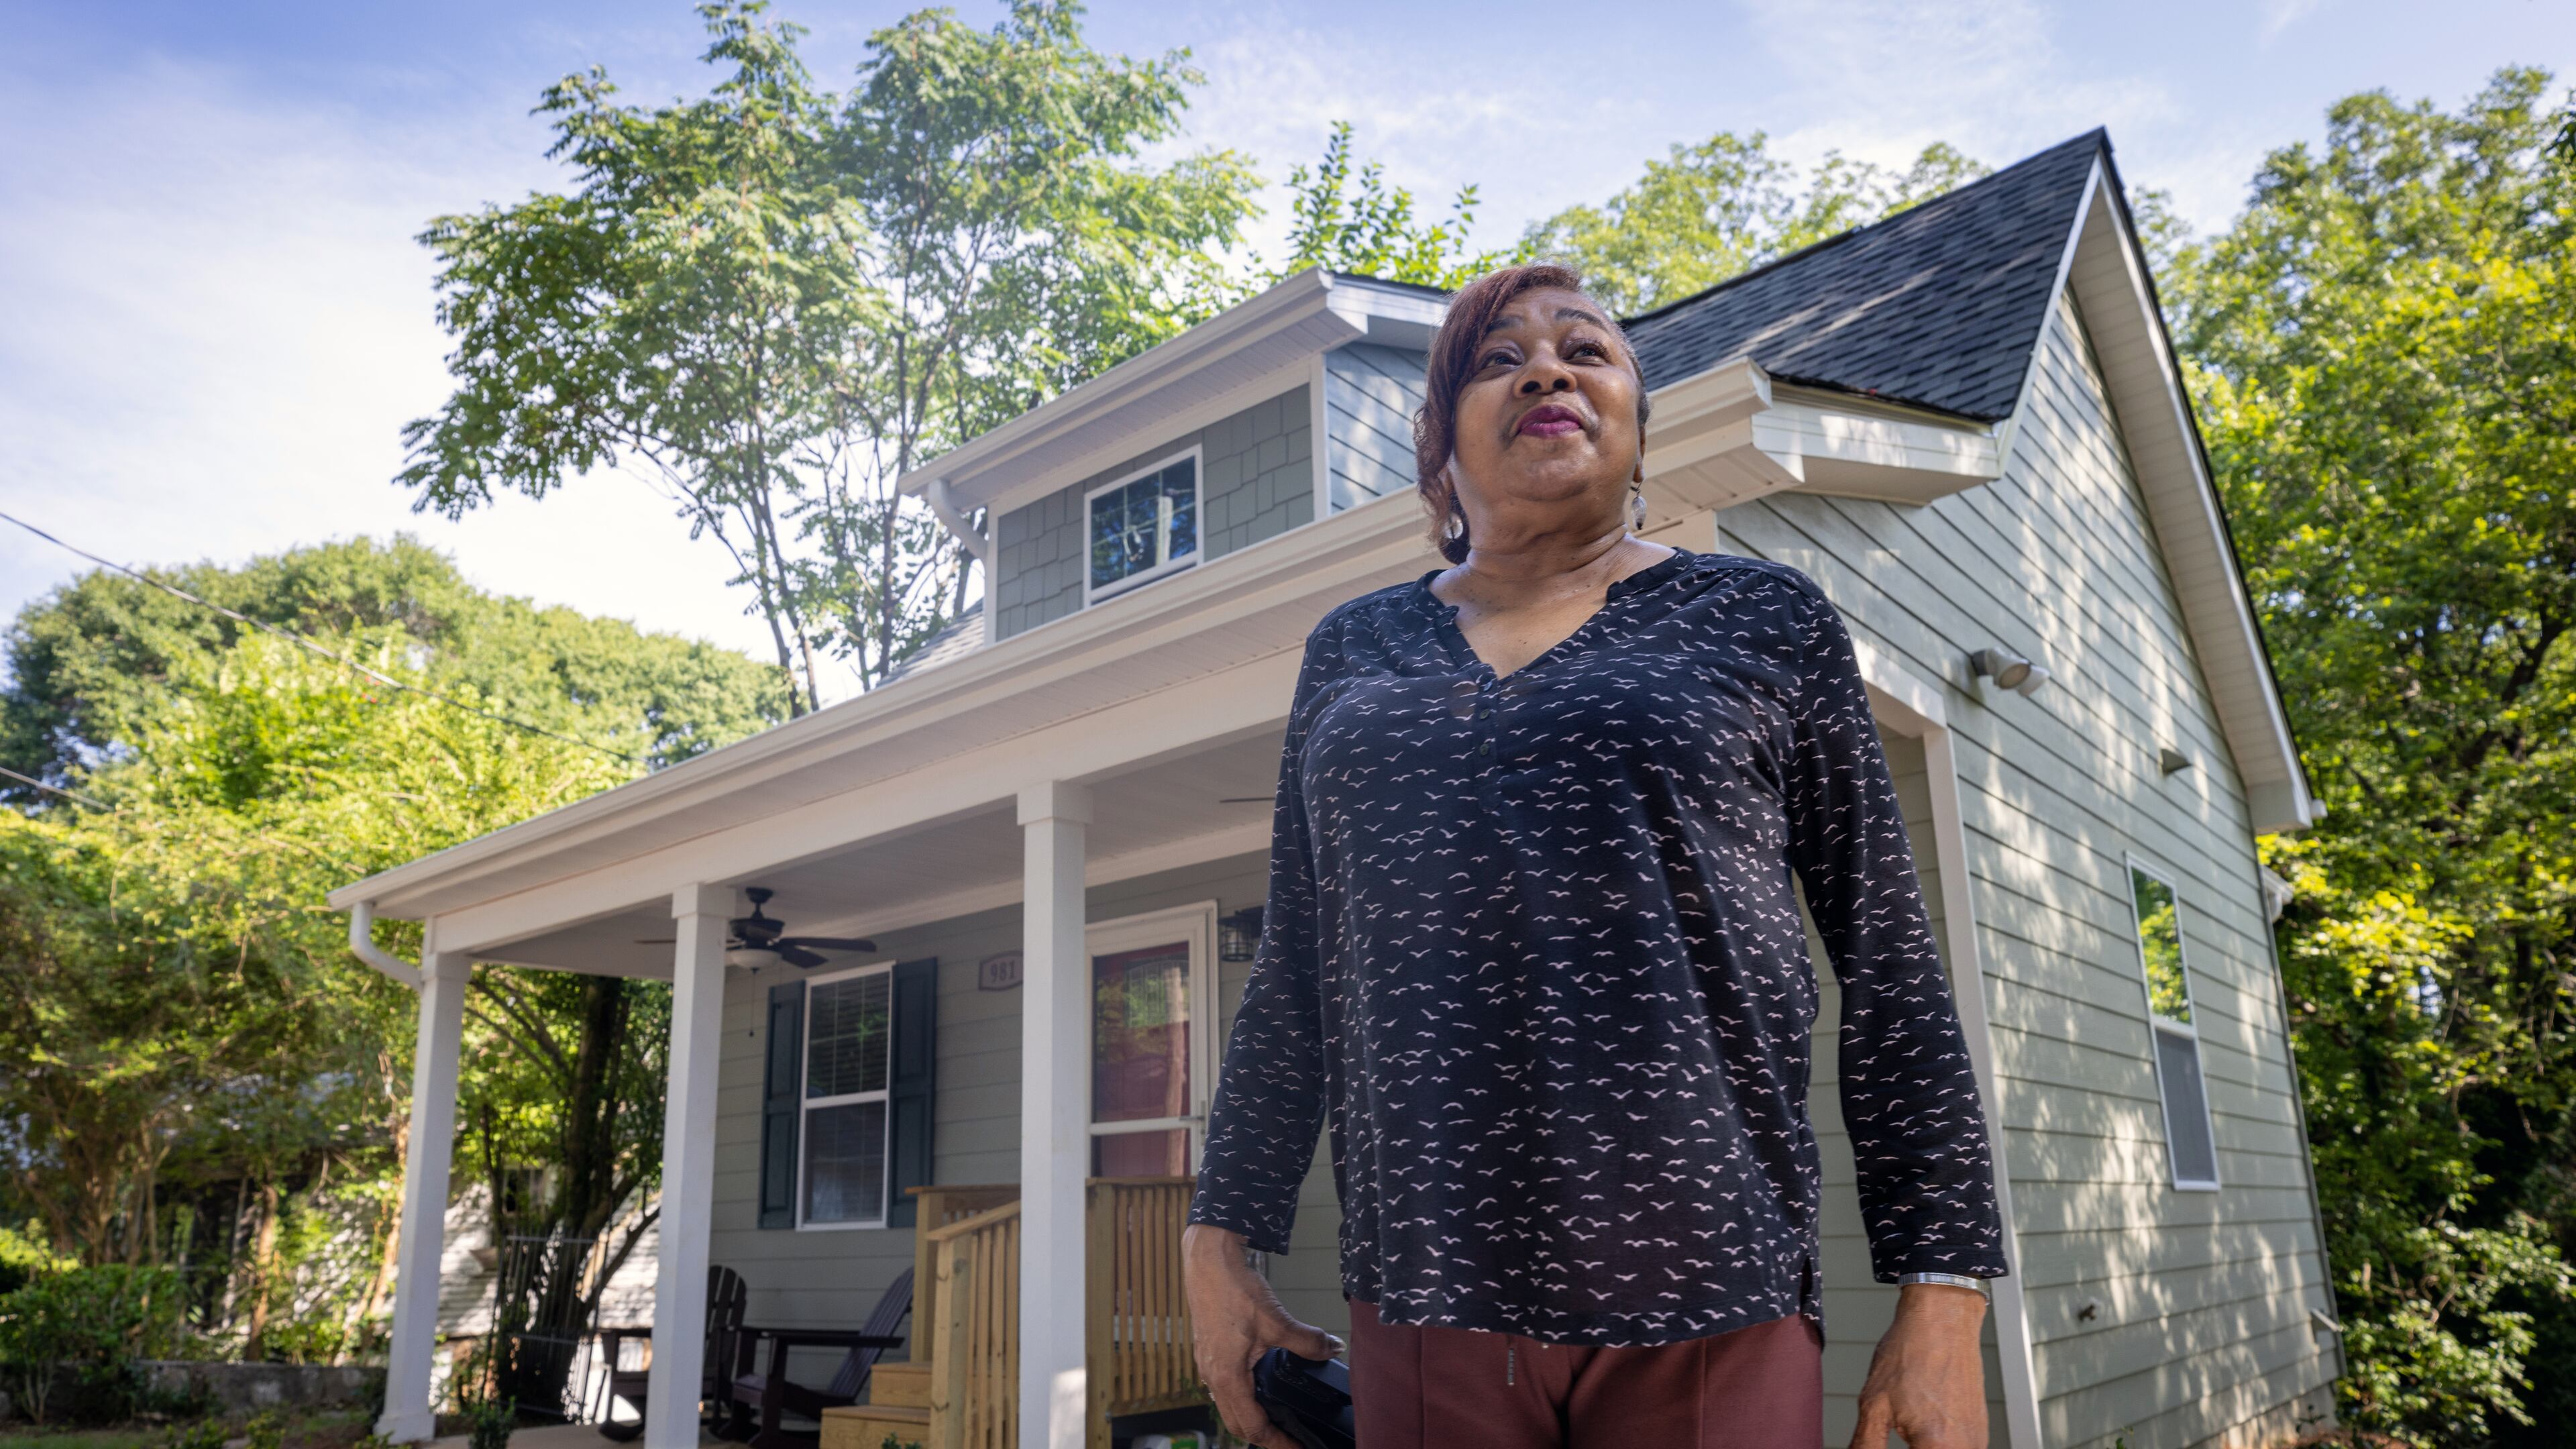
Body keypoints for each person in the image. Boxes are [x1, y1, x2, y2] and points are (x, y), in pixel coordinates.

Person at [1181, 264, 2006, 1448]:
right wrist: (1221, 1236)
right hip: (1423, 1294)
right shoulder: (1354, 648)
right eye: (1498, 357)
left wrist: (1943, 1294)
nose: (1548, 369)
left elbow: (1891, 964)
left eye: (1586, 350)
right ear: (1437, 437)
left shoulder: (1762, 619)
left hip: (1710, 1292)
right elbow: (1296, 972)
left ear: (1635, 421)